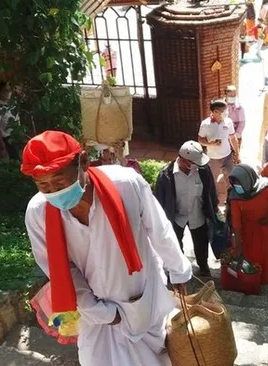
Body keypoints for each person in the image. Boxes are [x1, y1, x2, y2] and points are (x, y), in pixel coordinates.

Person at [21, 131, 192, 366]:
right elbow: (59, 270)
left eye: (60, 182)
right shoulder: (38, 212)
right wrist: (98, 311)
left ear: (83, 162)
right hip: (95, 314)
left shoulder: (126, 185)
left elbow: (159, 230)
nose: (54, 192)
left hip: (142, 297)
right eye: (44, 186)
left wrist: (179, 272)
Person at [154, 141, 218, 277]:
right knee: (175, 244)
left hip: (198, 214)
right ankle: (179, 271)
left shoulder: (203, 170)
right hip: (177, 216)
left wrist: (214, 208)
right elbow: (159, 199)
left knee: (201, 243)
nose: (198, 165)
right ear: (184, 161)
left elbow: (211, 191)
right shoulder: (166, 175)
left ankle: (203, 266)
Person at [228, 164, 268, 288]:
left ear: (248, 180)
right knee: (250, 248)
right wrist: (238, 245)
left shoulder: (267, 188)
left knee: (267, 249)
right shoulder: (235, 196)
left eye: (239, 183)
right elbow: (236, 221)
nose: (237, 187)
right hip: (249, 223)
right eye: (234, 183)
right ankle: (252, 278)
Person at [198, 99, 240, 195]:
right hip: (212, 159)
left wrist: (237, 154)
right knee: (212, 181)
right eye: (224, 111)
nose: (226, 113)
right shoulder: (205, 124)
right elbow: (200, 139)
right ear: (215, 112)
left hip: (227, 156)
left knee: (231, 180)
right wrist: (210, 144)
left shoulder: (228, 122)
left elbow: (233, 138)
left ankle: (231, 200)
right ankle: (214, 202)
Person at [0, 81, 20, 160]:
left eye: (10, 90)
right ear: (0, 92)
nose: (9, 92)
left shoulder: (13, 102)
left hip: (18, 133)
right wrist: (0, 142)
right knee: (15, 158)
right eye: (6, 91)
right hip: (8, 137)